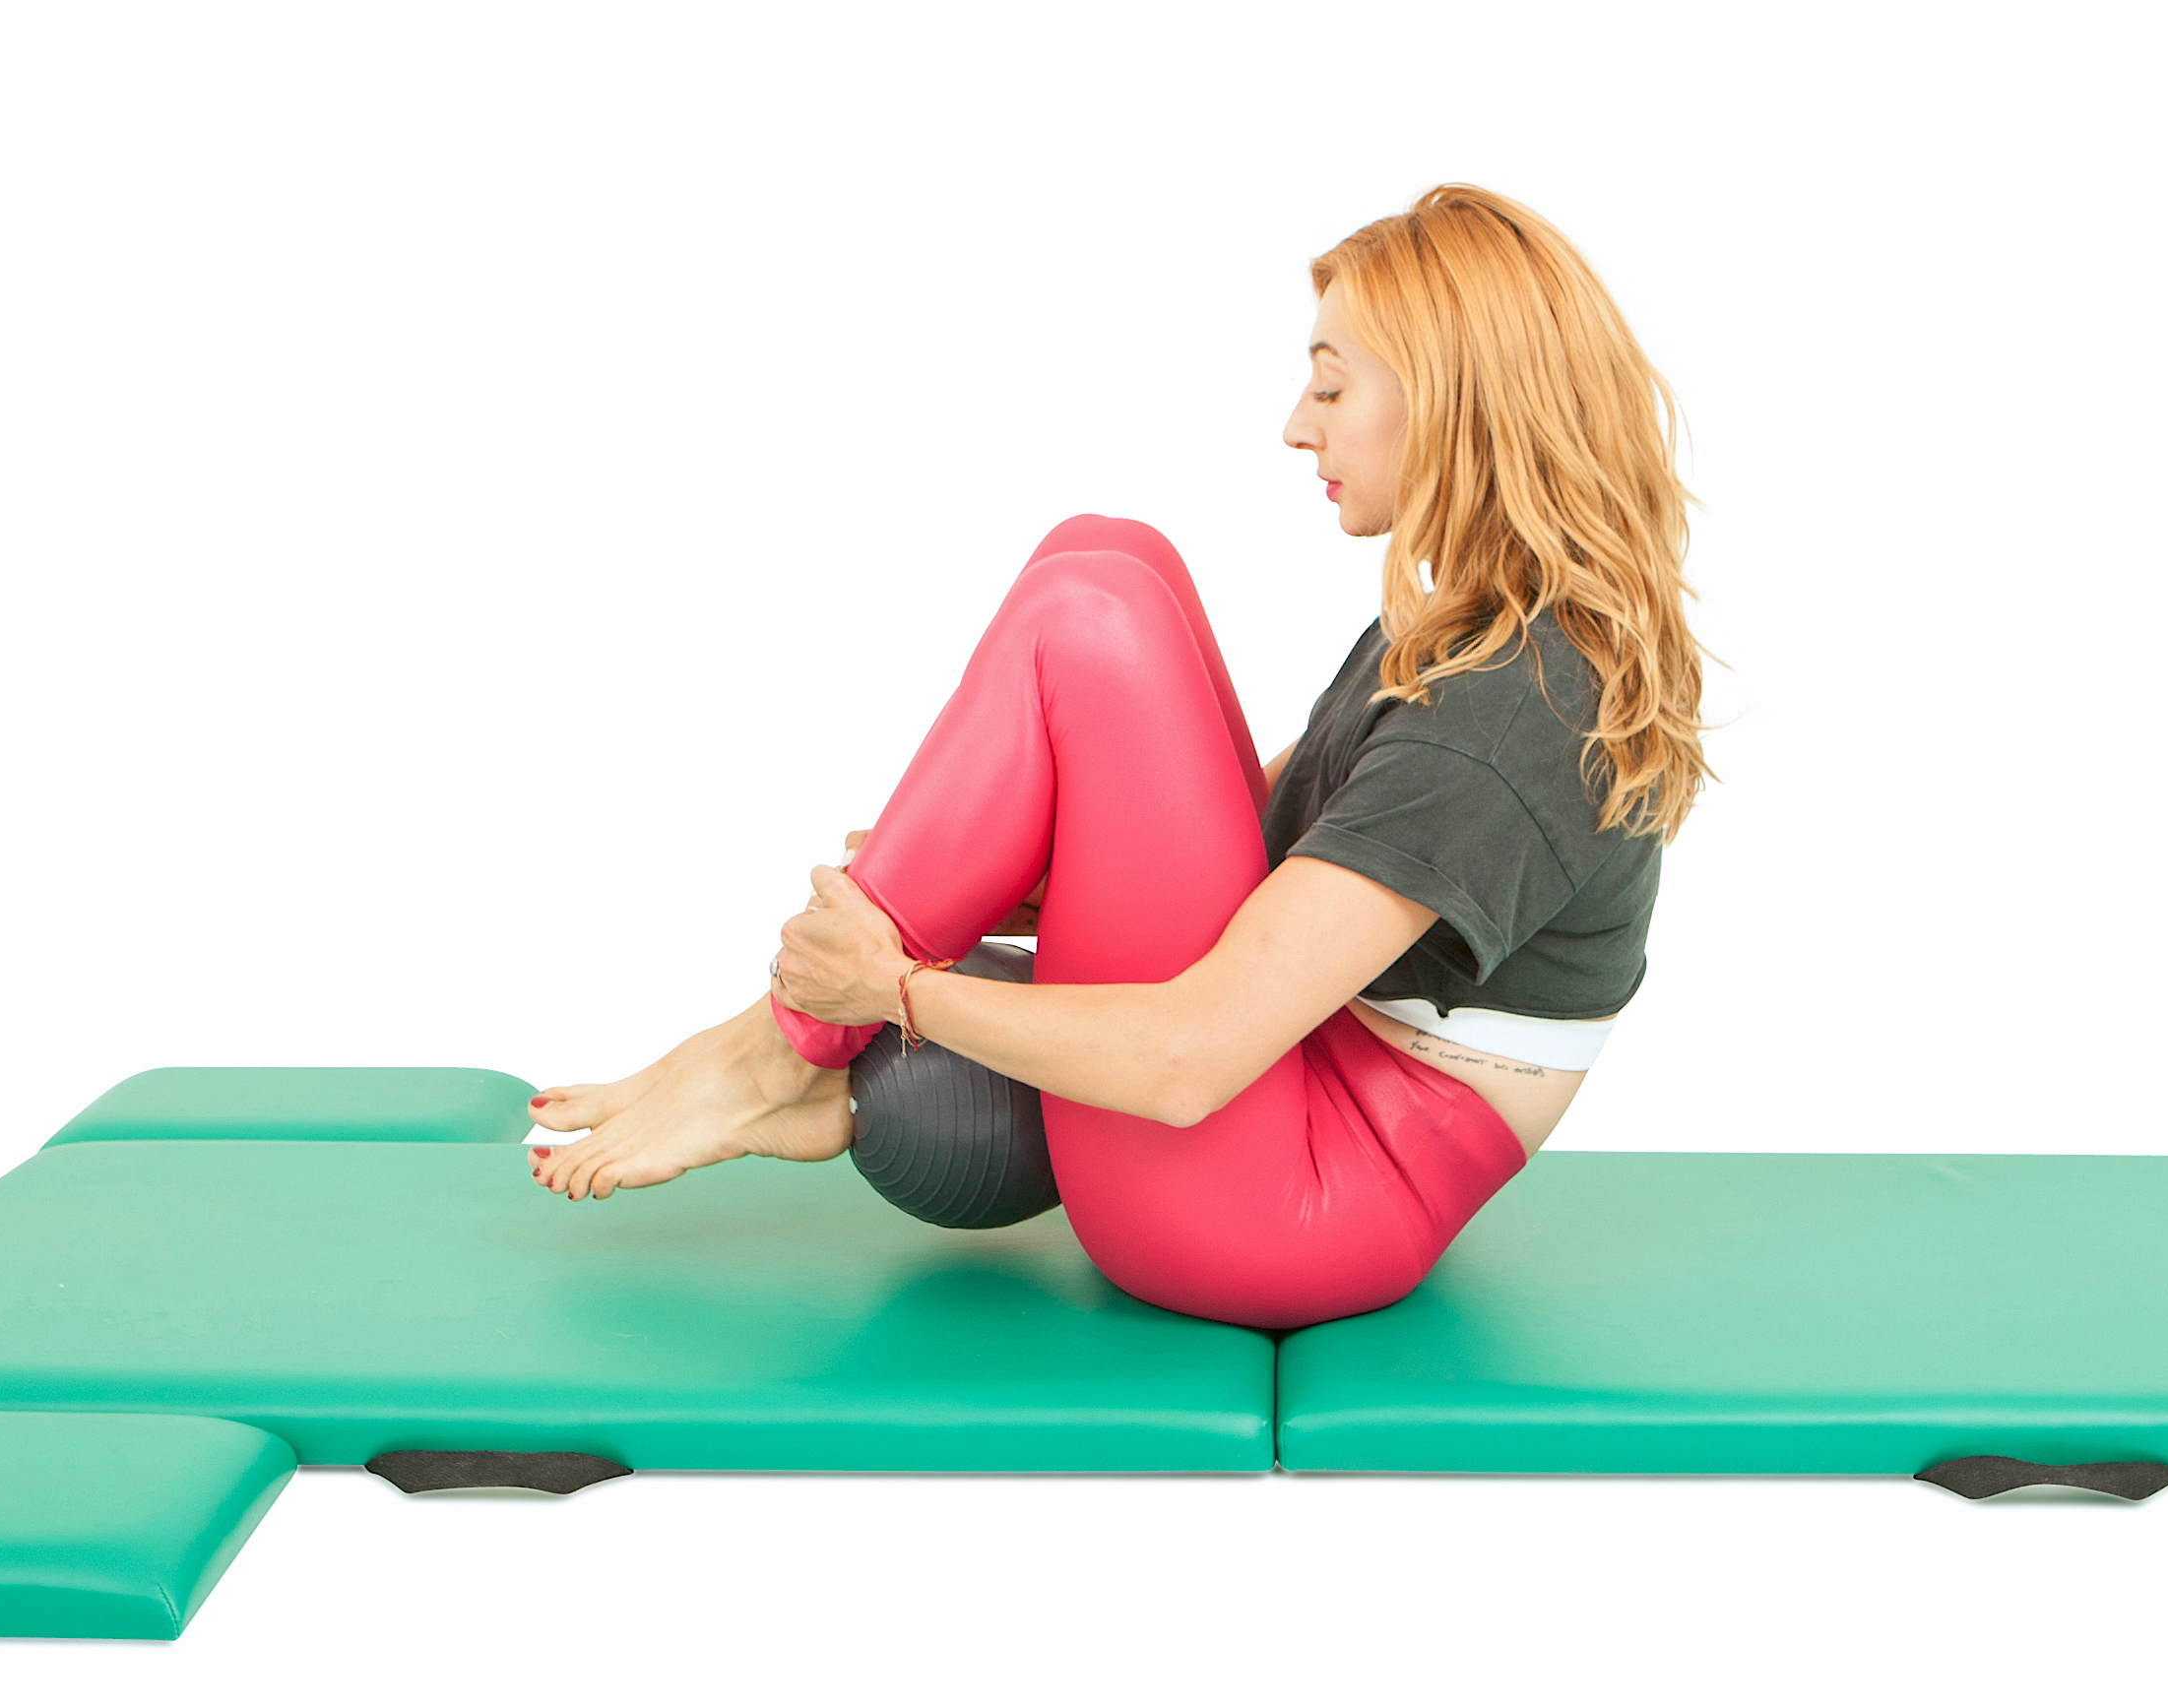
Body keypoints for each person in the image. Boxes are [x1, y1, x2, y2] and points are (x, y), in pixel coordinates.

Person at [526, 184, 1711, 1329]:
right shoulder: (1477, 636)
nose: (1297, 426)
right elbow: (1257, 870)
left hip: (1280, 1215)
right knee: (1106, 551)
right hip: (1285, 1118)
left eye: (1331, 385)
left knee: (1092, 616)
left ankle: (779, 1050)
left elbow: (1190, 1060)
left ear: (1454, 402)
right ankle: (780, 1053)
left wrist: (889, 992)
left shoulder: (1515, 704)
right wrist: (1003, 858)